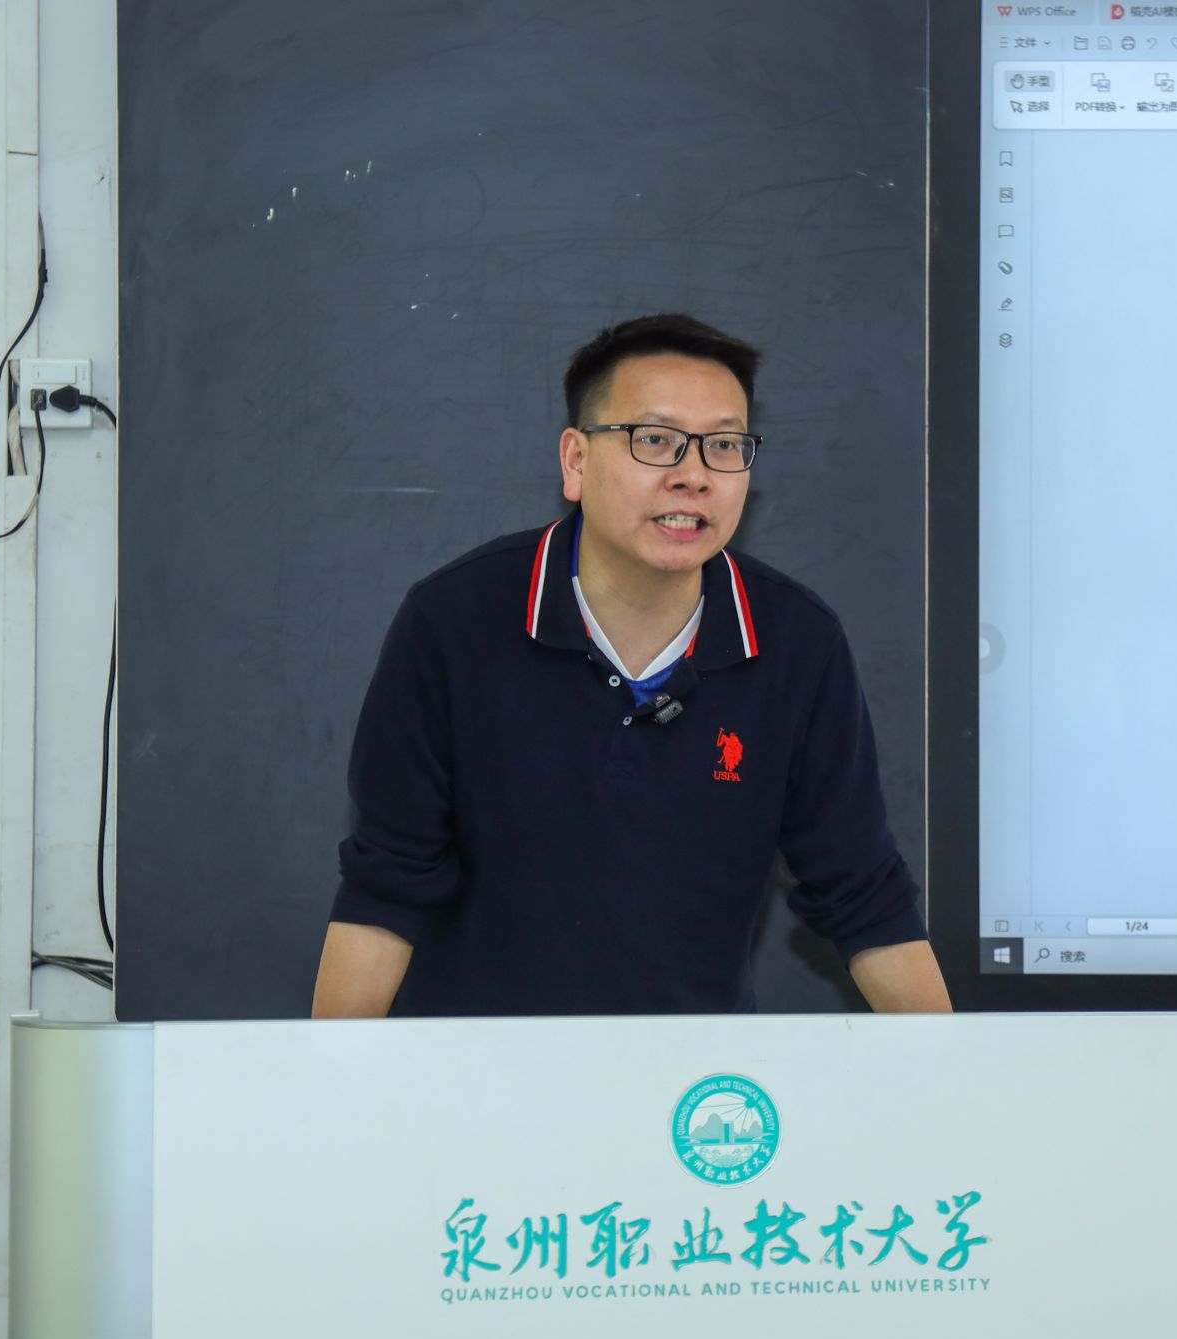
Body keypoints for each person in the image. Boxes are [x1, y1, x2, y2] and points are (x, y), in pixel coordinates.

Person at [312, 314, 950, 1017]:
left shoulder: (798, 641)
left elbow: (866, 898)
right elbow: (386, 888)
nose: (693, 476)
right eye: (655, 439)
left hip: (695, 1076)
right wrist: (330, 1080)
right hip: (480, 1063)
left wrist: (954, 1074)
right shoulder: (454, 620)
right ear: (576, 461)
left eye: (724, 445)